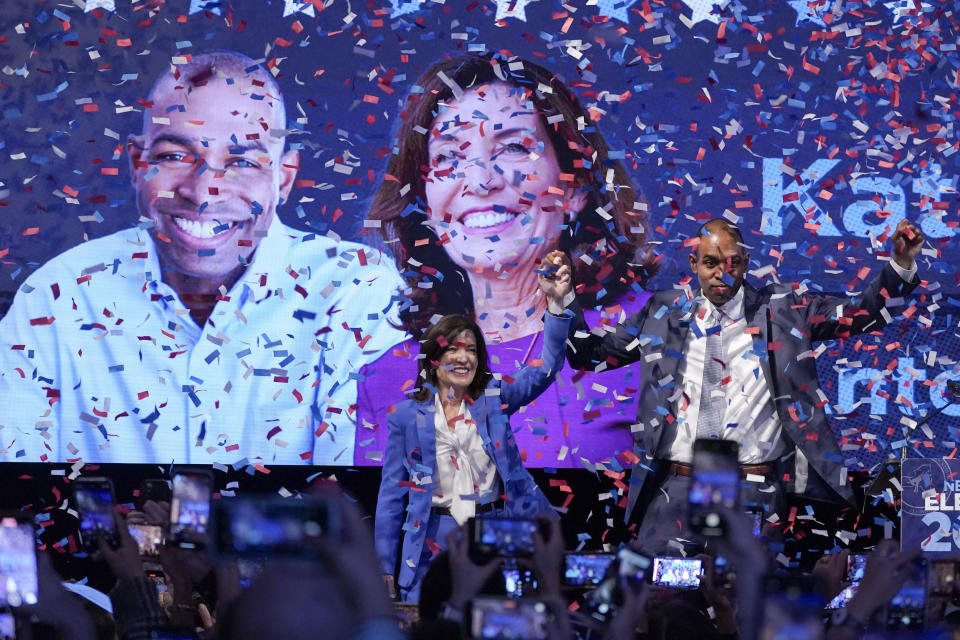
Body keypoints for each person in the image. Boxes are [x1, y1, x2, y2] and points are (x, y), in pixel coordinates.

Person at [0, 50, 404, 465]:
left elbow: (367, 506)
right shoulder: (57, 298)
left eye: (242, 161)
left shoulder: (356, 291)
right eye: (175, 156)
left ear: (283, 178)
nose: (205, 191)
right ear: (138, 164)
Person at [355, 51, 658, 467]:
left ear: (575, 189)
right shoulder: (389, 379)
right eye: (447, 157)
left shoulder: (662, 335)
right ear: (424, 204)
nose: (480, 180)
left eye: (513, 146)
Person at [566, 217, 924, 553]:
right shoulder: (664, 313)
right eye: (711, 263)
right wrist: (561, 301)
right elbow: (592, 354)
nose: (723, 273)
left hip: (755, 491)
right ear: (693, 264)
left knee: (747, 605)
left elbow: (859, 314)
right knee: (660, 601)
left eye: (733, 263)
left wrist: (900, 265)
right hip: (677, 488)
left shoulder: (783, 309)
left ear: (747, 261)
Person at [375, 251, 572, 602]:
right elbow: (391, 498)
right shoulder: (406, 416)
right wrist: (385, 568)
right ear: (434, 360)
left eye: (471, 350)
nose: (463, 357)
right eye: (453, 349)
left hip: (497, 532)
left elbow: (545, 369)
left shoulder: (494, 398)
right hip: (433, 540)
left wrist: (555, 306)